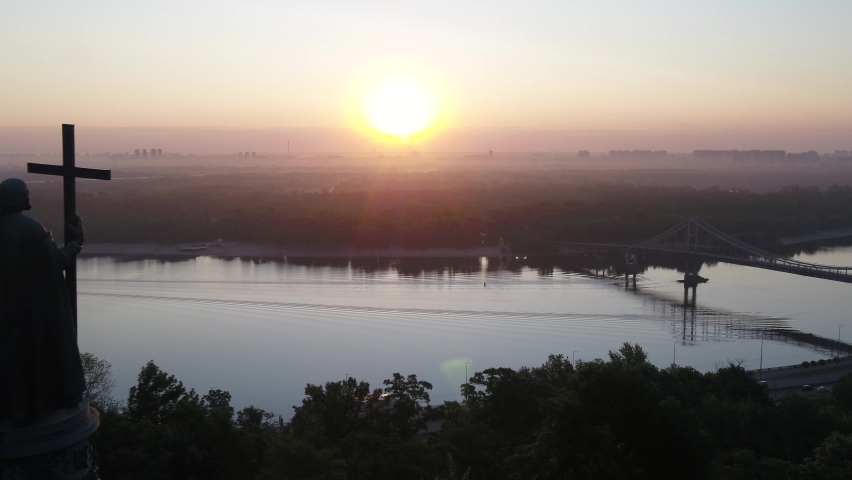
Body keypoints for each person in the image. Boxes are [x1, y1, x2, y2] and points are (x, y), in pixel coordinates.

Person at [0, 178, 87, 427]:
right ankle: (42, 405)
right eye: (25, 192)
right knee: (36, 354)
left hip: (6, 314)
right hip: (31, 312)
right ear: (18, 198)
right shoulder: (31, 228)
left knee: (12, 359)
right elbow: (56, 262)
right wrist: (76, 242)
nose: (28, 196)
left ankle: (14, 409)